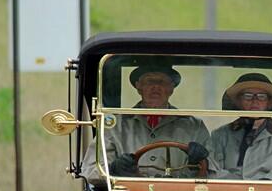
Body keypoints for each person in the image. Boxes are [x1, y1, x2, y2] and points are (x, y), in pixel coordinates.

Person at [82, 63, 215, 179]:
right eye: (149, 81)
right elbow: (91, 170)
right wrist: (113, 170)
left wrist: (201, 162)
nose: (155, 87)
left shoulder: (194, 126)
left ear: (171, 88)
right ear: (138, 87)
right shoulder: (115, 125)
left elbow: (215, 172)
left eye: (162, 82)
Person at [210, 73, 272, 181]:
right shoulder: (220, 135)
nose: (255, 101)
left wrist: (263, 184)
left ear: (269, 103)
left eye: (261, 97)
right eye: (247, 96)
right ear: (238, 101)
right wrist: (239, 185)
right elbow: (212, 172)